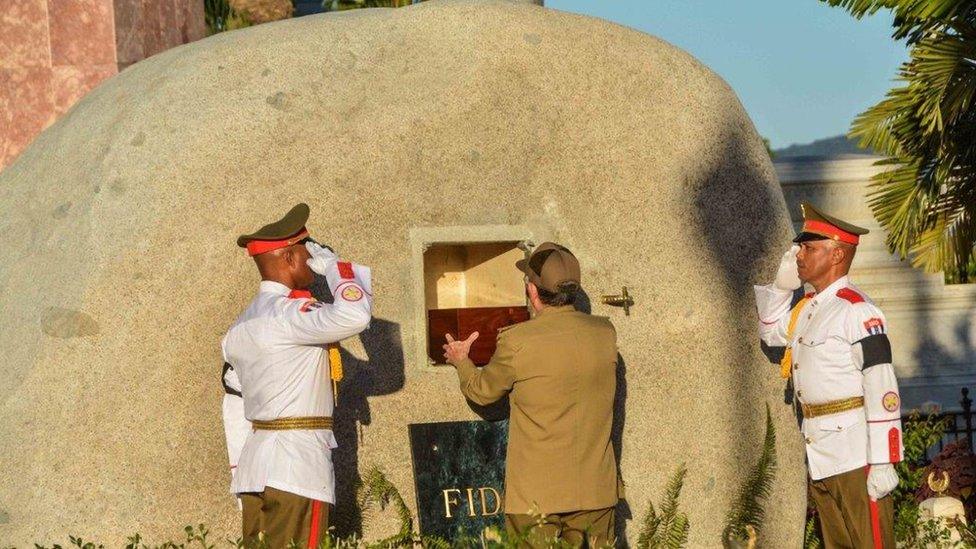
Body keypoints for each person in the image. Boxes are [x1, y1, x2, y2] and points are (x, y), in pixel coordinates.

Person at [442, 242, 621, 548]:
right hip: (596, 490)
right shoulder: (605, 333)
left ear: (533, 292)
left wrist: (462, 361)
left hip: (536, 497)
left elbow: (483, 392)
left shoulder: (518, 340)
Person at [221, 202, 373, 547]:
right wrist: (337, 268)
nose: (313, 264)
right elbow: (354, 316)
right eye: (307, 254)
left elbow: (233, 403)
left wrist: (237, 468)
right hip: (296, 467)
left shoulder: (240, 326)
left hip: (254, 468)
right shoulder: (292, 315)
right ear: (288, 258)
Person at [754, 202, 902, 548]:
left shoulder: (858, 310)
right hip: (821, 452)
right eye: (799, 248)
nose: (798, 255)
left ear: (837, 255)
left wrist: (883, 459)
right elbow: (770, 332)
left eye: (808, 248)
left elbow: (881, 385)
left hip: (856, 455)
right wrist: (780, 288)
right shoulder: (808, 309)